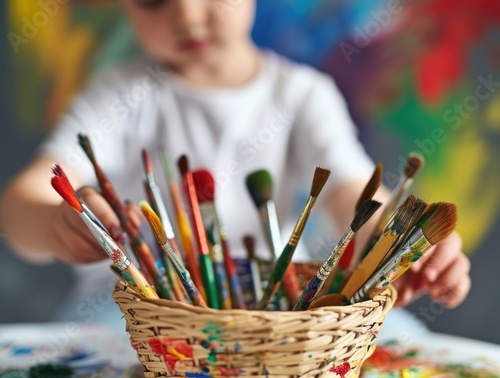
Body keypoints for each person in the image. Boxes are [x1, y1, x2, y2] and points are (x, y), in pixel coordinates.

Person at [0, 0, 470, 327]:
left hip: (280, 318)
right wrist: (54, 223)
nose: (186, 13)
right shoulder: (117, 95)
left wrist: (405, 247)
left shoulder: (304, 95)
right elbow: (21, 204)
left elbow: (355, 199)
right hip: (130, 318)